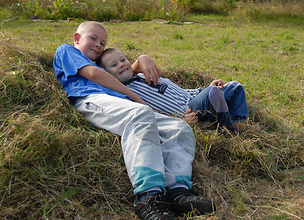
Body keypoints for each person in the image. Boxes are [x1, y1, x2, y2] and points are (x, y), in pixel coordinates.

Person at [53, 21, 215, 220]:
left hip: (122, 103)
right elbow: (94, 74)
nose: (98, 45)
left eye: (103, 43)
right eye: (93, 38)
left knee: (179, 128)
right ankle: (149, 197)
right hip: (91, 99)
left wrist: (142, 59)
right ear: (77, 38)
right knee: (140, 114)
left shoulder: (100, 62)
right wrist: (136, 98)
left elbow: (125, 71)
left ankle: (178, 191)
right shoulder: (68, 51)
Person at [96, 48, 249, 131]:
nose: (121, 64)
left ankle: (238, 119)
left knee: (235, 86)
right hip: (189, 111)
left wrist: (207, 88)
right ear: (108, 75)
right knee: (214, 94)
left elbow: (137, 65)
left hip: (195, 96)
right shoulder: (125, 92)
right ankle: (227, 128)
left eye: (123, 60)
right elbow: (151, 116)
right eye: (114, 65)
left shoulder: (143, 74)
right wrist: (181, 121)